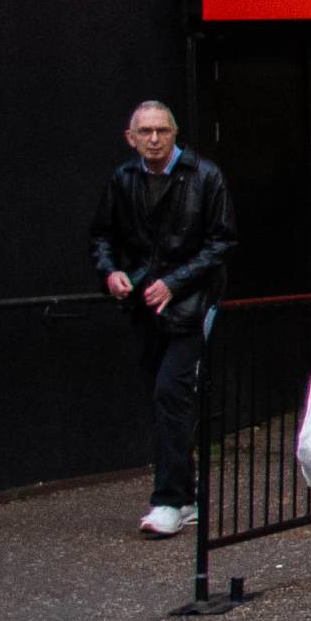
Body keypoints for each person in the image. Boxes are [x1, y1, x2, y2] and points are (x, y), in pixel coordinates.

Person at [91, 99, 238, 537]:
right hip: (144, 303)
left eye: (162, 131)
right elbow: (102, 235)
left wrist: (175, 283)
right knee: (163, 401)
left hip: (190, 305)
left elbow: (222, 241)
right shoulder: (123, 178)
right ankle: (184, 498)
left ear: (175, 134)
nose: (154, 140)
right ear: (130, 137)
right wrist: (111, 272)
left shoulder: (205, 176)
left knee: (170, 394)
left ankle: (170, 500)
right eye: (145, 132)